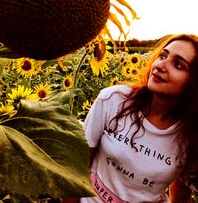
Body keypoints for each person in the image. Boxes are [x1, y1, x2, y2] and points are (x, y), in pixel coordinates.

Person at [63, 34, 198, 203]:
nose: (160, 65)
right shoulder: (113, 100)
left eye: (178, 64)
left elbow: (180, 188)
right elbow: (77, 165)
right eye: (162, 55)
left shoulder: (190, 135)